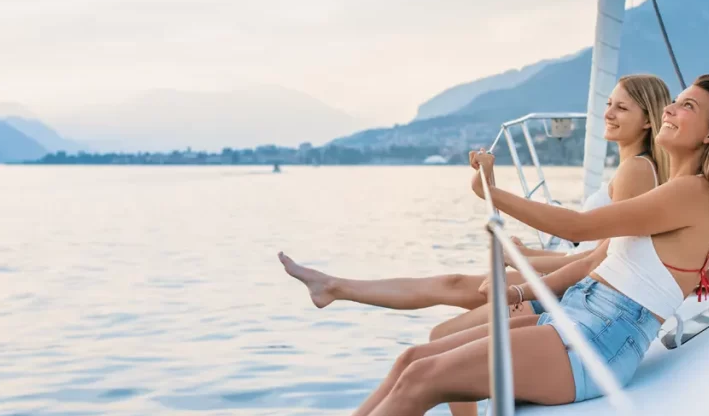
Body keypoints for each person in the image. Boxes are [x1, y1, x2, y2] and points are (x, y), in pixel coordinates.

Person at [351, 74, 709, 416]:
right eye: (673, 101)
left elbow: (579, 227)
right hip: (577, 317)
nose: (669, 109)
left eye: (687, 107)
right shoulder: (675, 191)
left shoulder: (692, 193)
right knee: (413, 362)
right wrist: (520, 290)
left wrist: (492, 192)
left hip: (599, 339)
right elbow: (595, 261)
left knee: (424, 379)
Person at [277, 74, 672, 313]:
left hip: (583, 287)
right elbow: (601, 248)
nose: (608, 113)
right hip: (576, 271)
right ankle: (335, 287)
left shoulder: (636, 171)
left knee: (450, 292)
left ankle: (335, 288)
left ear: (648, 119)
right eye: (609, 104)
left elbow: (602, 255)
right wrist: (529, 255)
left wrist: (527, 259)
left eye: (621, 108)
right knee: (450, 287)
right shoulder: (629, 168)